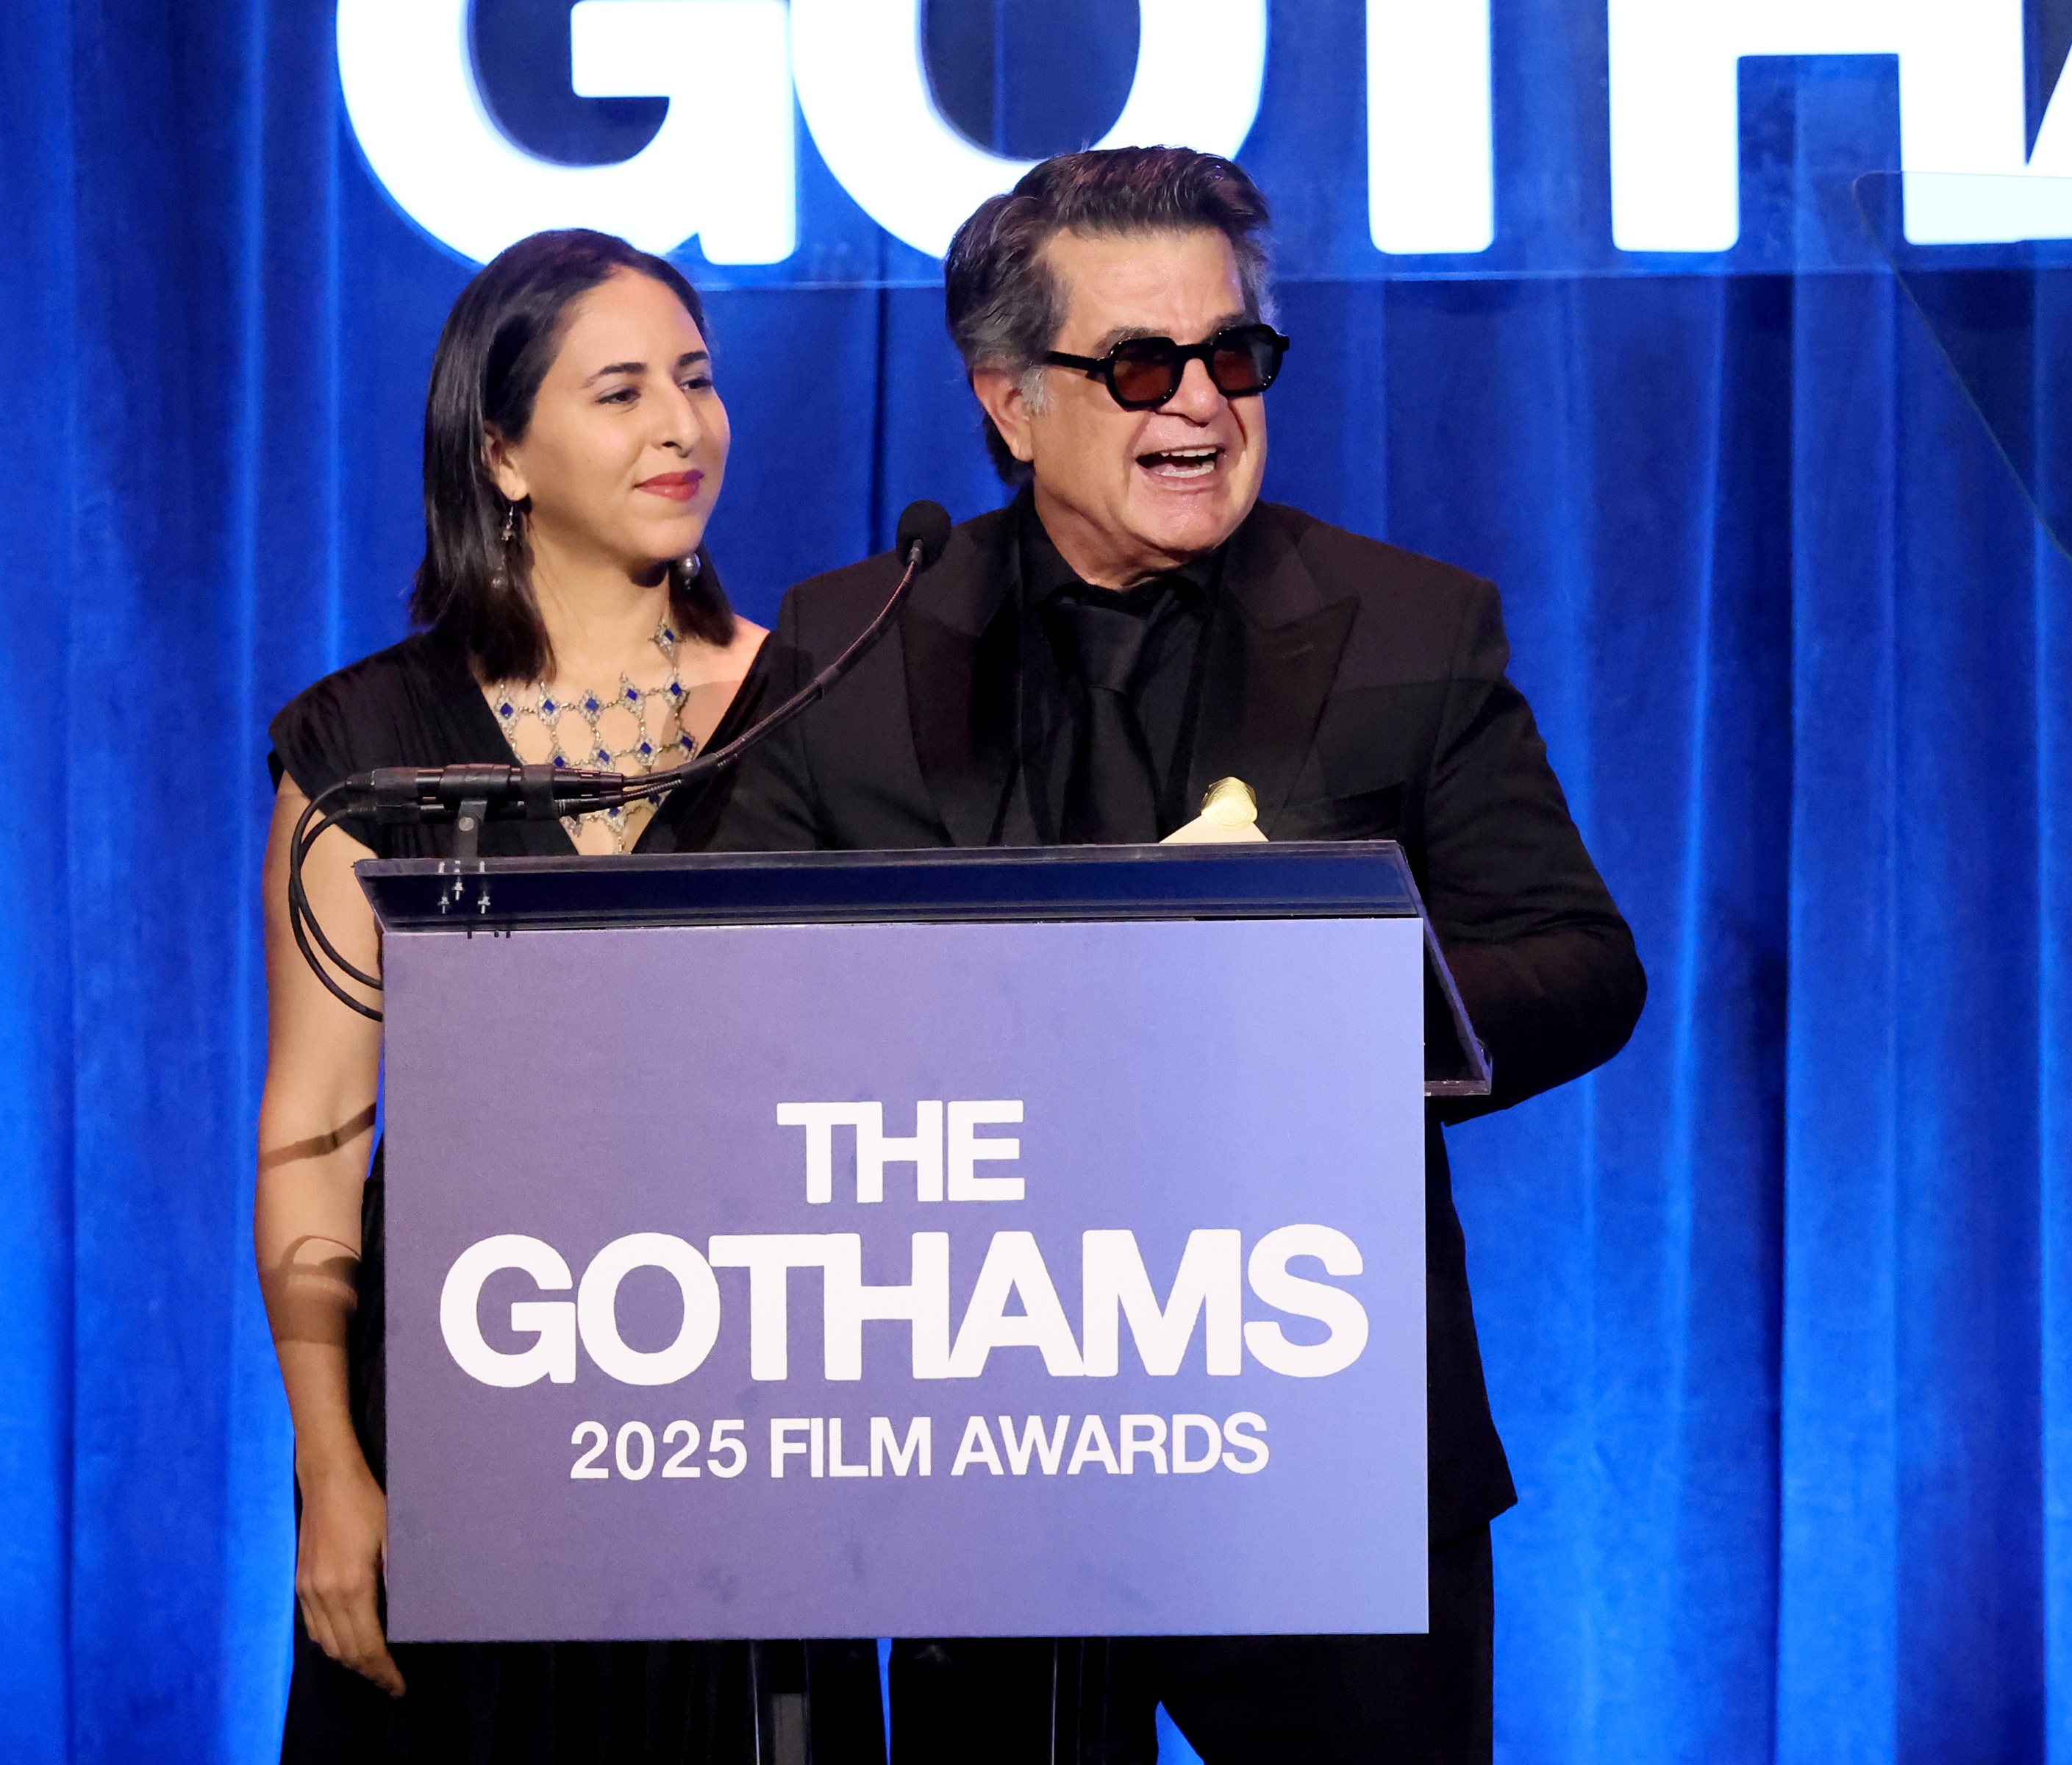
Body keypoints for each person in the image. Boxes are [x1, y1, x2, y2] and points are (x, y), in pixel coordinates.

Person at [701, 149, 1648, 1763]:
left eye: (1235, 356)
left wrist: (1322, 997)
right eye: (1139, 364)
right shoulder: (853, 643)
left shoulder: (1404, 628)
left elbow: (1576, 960)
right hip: (967, 1445)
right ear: (1008, 403)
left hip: (1321, 1439)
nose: (1196, 403)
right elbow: (700, 992)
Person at [257, 229, 879, 1763]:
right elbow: (319, 1128)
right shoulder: (367, 742)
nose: (683, 427)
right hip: (467, 1425)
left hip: (751, 1432)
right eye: (620, 392)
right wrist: (332, 1475)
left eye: (698, 381)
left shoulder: (824, 703)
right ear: (504, 453)